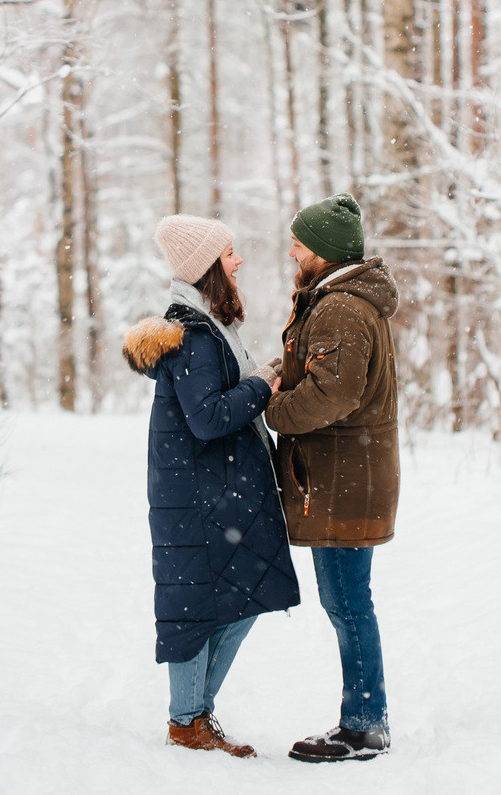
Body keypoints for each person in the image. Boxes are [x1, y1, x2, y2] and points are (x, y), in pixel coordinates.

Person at [123, 214, 299, 758]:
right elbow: (207, 417)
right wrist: (262, 387)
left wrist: (261, 376)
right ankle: (186, 721)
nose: (238, 261)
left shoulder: (206, 327)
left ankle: (195, 714)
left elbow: (221, 394)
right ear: (207, 269)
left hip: (214, 495)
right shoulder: (195, 335)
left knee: (236, 602)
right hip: (201, 500)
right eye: (229, 254)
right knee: (197, 609)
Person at [264, 192, 399, 763]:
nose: (291, 249)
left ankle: (365, 725)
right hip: (345, 474)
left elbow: (332, 393)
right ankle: (365, 717)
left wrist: (269, 411)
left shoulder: (341, 307)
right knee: (347, 599)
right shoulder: (334, 300)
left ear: (322, 250)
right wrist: (276, 373)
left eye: (299, 241)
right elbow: (314, 368)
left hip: (345, 477)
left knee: (347, 601)